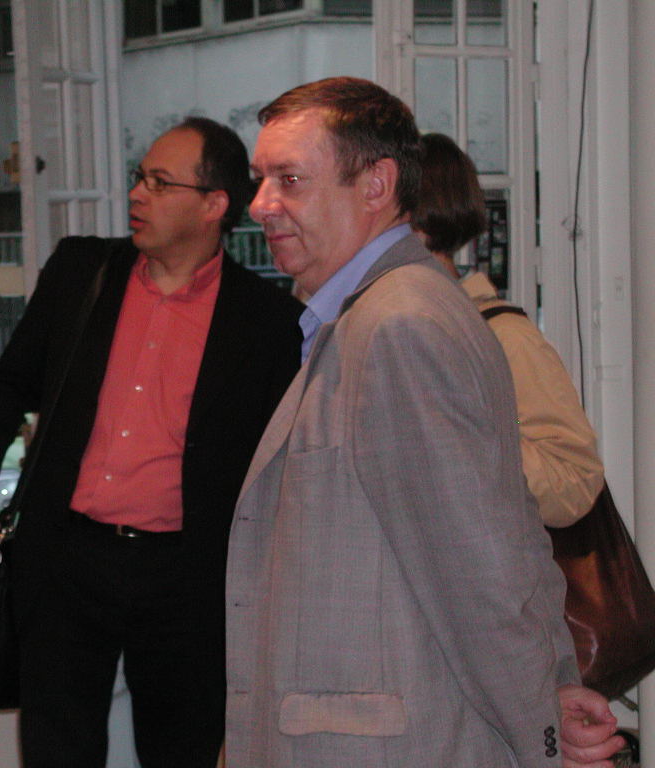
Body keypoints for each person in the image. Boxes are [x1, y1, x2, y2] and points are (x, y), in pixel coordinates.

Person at [225, 76, 593, 767]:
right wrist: (554, 689)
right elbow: (505, 536)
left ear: (376, 184)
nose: (261, 204)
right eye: (260, 180)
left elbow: (480, 569)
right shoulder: (370, 314)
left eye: (289, 180)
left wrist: (543, 734)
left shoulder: (399, 327)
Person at [0, 116, 303, 768]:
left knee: (182, 751)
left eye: (160, 183)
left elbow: (284, 465)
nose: (137, 194)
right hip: (66, 557)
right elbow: (10, 382)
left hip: (187, 576)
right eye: (139, 178)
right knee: (56, 750)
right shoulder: (83, 273)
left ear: (214, 204)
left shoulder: (268, 321)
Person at [413, 131, 604, 527]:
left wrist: (463, 433)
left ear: (419, 224)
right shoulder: (373, 328)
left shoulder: (503, 337)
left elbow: (574, 481)